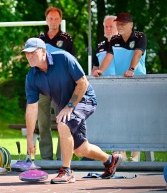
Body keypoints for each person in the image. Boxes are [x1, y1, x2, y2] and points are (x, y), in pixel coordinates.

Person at [22, 37, 122, 184]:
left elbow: (83, 82)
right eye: (26, 53)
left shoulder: (63, 58)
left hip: (85, 98)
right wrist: (30, 138)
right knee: (80, 149)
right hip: (66, 107)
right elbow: (31, 109)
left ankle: (66, 171)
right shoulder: (31, 77)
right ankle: (110, 160)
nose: (28, 56)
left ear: (43, 51)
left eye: (32, 52)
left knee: (63, 122)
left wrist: (69, 106)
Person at [93, 12, 147, 162]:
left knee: (136, 119)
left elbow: (137, 54)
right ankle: (121, 152)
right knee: (121, 118)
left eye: (123, 24)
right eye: (119, 24)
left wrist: (131, 70)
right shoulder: (114, 39)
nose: (120, 26)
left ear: (131, 24)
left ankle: (135, 155)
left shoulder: (140, 36)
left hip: (138, 81)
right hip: (121, 83)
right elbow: (109, 56)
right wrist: (100, 71)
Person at [37, 6, 76, 161]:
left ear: (60, 20)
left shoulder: (66, 38)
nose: (53, 21)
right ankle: (46, 158)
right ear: (46, 20)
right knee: (43, 123)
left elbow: (72, 62)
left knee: (62, 122)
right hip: (43, 87)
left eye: (56, 18)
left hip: (61, 88)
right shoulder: (39, 39)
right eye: (50, 18)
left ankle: (62, 158)